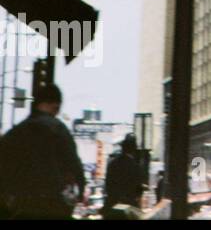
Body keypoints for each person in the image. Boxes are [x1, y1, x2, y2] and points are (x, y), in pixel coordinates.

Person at [0, 84, 86, 219]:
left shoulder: (16, 132)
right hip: (52, 203)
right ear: (56, 106)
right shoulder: (58, 129)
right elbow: (73, 163)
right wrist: (80, 191)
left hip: (22, 204)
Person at [102, 133, 146, 219]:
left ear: (122, 148)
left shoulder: (113, 164)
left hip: (113, 206)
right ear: (134, 150)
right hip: (129, 208)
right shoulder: (136, 166)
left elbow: (108, 185)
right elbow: (138, 189)